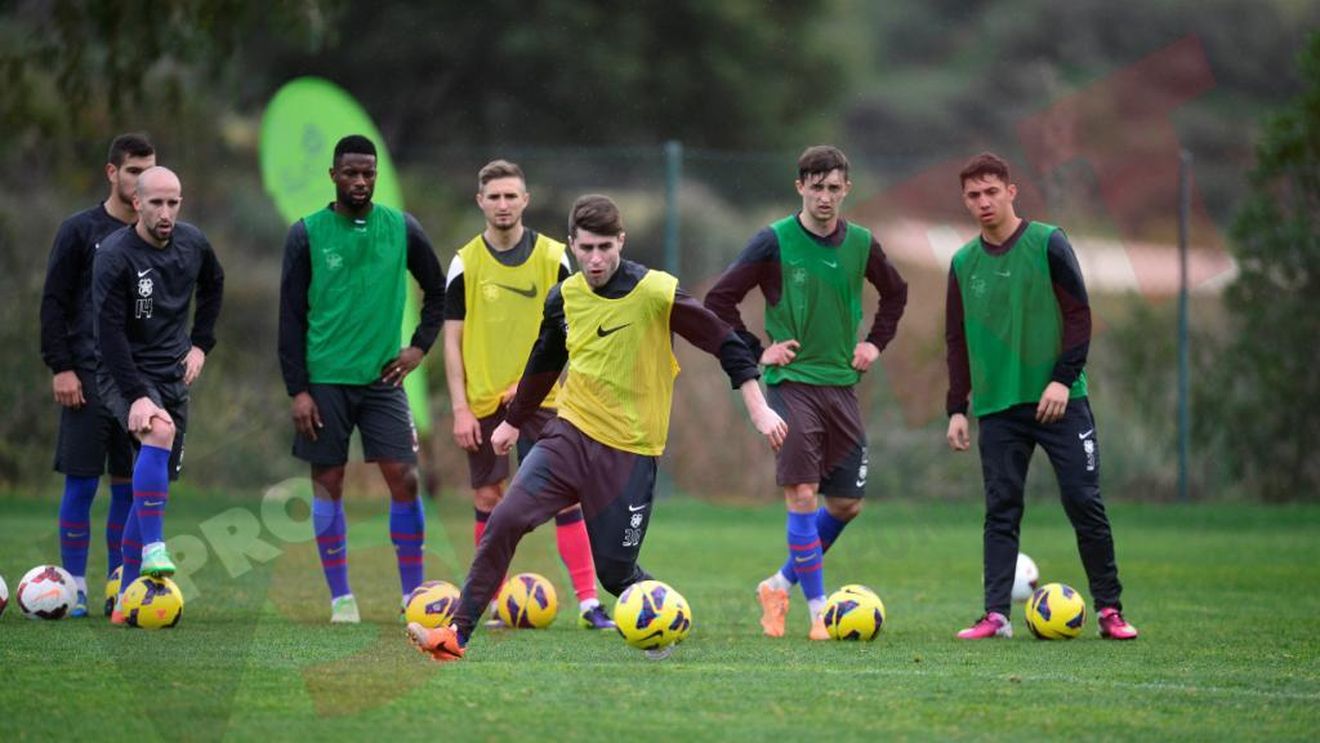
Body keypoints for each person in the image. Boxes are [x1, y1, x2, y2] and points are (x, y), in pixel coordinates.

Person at [408, 194, 787, 662]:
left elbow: (724, 342)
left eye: (605, 246)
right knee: (505, 519)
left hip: (630, 452)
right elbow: (545, 362)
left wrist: (759, 408)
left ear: (621, 242)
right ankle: (455, 634)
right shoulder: (564, 296)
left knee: (616, 573)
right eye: (586, 248)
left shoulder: (654, 291)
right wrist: (513, 422)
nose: (595, 258)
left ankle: (665, 621)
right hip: (569, 435)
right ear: (573, 244)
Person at [705, 145, 907, 640]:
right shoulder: (773, 241)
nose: (825, 196)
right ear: (800, 187)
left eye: (834, 188)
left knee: (845, 505)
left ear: (846, 189)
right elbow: (719, 300)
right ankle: (819, 611)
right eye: (816, 187)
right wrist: (758, 350)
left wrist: (875, 345)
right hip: (791, 385)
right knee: (801, 493)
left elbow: (896, 292)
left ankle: (778, 583)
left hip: (842, 386)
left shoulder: (861, 242)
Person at [944, 152, 1137, 640]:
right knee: (1001, 507)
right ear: (965, 201)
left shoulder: (1049, 242)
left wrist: (1062, 378)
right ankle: (995, 615)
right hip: (998, 406)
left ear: (1012, 191)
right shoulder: (963, 263)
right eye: (973, 195)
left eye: (992, 191)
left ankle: (1110, 610)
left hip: (1061, 401)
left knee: (1082, 501)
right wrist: (956, 408)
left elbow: (1079, 315)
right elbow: (956, 339)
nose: (983, 202)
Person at [278, 134, 446, 623]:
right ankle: (341, 599)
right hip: (324, 380)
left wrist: (418, 347)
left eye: (367, 173)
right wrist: (299, 390)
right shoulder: (307, 234)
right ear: (333, 175)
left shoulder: (402, 228)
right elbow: (289, 317)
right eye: (350, 172)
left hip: (382, 381)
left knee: (406, 480)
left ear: (376, 175)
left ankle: (414, 595)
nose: (360, 181)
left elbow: (439, 292)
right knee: (328, 484)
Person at [443, 160, 613, 630]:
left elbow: (575, 331)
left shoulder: (554, 256)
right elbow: (452, 340)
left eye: (510, 195)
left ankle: (587, 603)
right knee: (488, 496)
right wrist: (459, 407)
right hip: (481, 402)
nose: (502, 205)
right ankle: (495, 602)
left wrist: (552, 382)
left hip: (544, 400)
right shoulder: (465, 261)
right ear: (480, 201)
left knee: (566, 496)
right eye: (494, 196)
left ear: (526, 200)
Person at [93, 166, 224, 624]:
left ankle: (127, 597)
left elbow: (214, 285)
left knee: (157, 483)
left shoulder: (193, 244)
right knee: (159, 429)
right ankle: (154, 549)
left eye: (173, 202)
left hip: (172, 373)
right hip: (121, 370)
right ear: (136, 203)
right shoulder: (114, 255)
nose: (166, 212)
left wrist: (201, 344)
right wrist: (136, 397)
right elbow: (107, 333)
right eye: (156, 203)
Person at [41, 133, 156, 617]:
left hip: (138, 386)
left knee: (129, 487)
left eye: (147, 172)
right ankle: (74, 588)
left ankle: (121, 585)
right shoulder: (79, 230)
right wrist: (62, 366)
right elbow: (53, 302)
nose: (140, 181)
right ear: (113, 173)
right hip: (87, 380)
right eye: (133, 171)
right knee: (83, 485)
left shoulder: (159, 234)